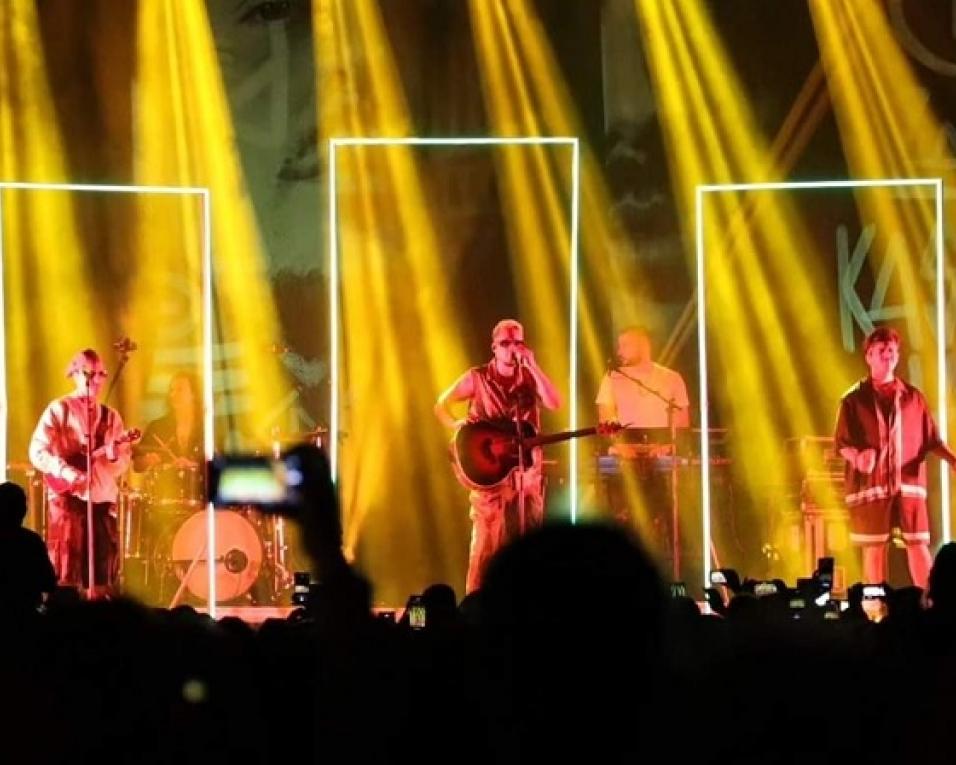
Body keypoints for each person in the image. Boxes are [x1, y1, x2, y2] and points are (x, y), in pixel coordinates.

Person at [435, 319, 562, 593]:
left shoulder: (529, 377)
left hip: (526, 475)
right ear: (494, 347)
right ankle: (475, 607)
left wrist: (533, 366)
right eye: (505, 343)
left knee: (527, 543)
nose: (512, 349)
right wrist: (457, 426)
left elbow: (554, 403)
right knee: (485, 545)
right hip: (490, 476)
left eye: (517, 342)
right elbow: (441, 405)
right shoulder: (477, 377)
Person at [834, 327, 956, 589]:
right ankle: (876, 610)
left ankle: (929, 602)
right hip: (873, 485)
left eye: (892, 351)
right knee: (874, 547)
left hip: (908, 485)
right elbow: (842, 443)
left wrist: (953, 460)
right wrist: (857, 457)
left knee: (918, 544)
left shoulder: (914, 398)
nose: (888, 356)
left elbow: (932, 439)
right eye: (881, 351)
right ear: (869, 356)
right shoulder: (853, 400)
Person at [28, 348, 135, 597]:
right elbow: (37, 450)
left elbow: (122, 464)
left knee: (102, 574)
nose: (96, 381)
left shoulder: (111, 417)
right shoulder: (59, 409)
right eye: (90, 373)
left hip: (101, 500)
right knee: (67, 574)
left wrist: (112, 454)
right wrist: (65, 472)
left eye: (101, 374)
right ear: (75, 374)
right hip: (68, 500)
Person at [596, 325, 690, 432]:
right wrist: (621, 446)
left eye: (625, 345)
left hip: (663, 447)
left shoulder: (672, 378)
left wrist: (665, 446)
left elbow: (682, 421)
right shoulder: (612, 377)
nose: (619, 352)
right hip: (622, 447)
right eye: (619, 346)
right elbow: (605, 419)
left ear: (643, 345)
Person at [133, 371, 204, 503]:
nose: (173, 395)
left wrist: (193, 466)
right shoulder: (157, 427)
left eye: (180, 390)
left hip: (199, 499)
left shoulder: (206, 429)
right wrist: (147, 460)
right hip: (164, 500)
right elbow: (137, 464)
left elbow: (220, 464)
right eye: (171, 390)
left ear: (193, 394)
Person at [0, 481, 57, 615]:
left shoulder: (32, 540)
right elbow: (48, 583)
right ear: (22, 510)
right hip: (27, 613)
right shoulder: (31, 541)